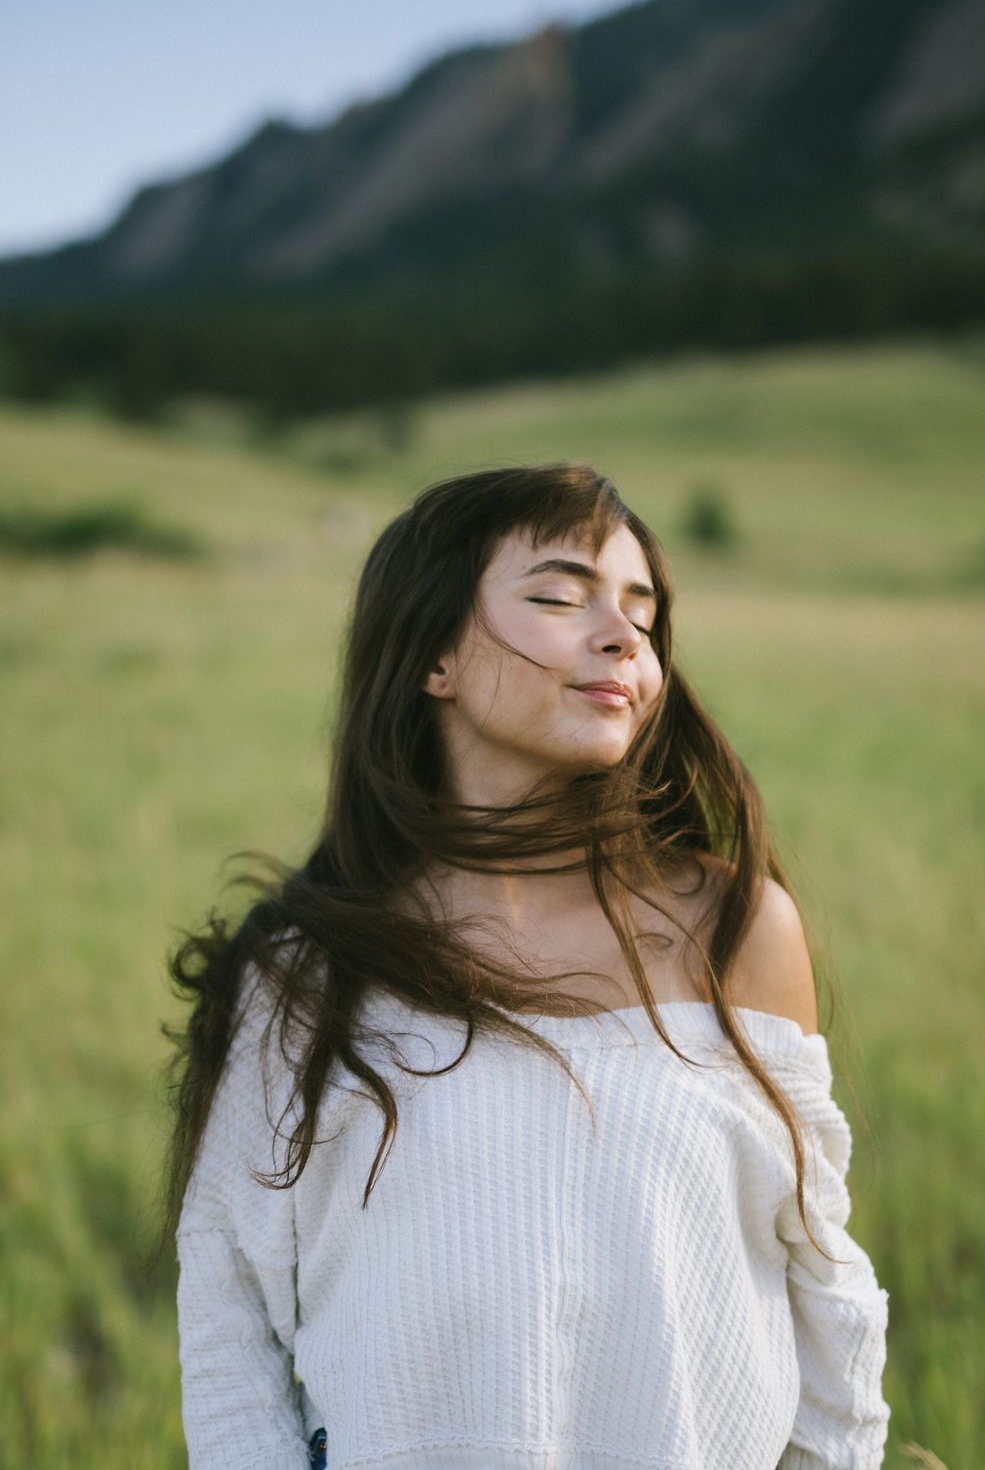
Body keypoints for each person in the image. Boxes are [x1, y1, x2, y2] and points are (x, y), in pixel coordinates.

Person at [168, 462, 889, 1470]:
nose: (620, 636)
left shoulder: (737, 928)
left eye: (642, 613)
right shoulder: (309, 966)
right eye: (558, 597)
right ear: (433, 659)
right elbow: (228, 1312)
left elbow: (820, 1279)